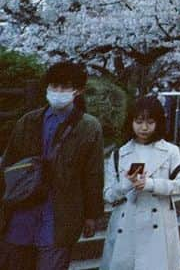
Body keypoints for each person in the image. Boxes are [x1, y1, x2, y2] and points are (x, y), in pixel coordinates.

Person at [0, 61, 104, 270]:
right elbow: (9, 163)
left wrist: (92, 215)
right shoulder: (28, 121)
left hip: (60, 212)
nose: (58, 92)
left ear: (78, 90)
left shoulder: (89, 127)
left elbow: (93, 174)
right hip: (22, 209)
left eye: (64, 87)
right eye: (53, 86)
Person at [100, 96, 180, 270]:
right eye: (139, 121)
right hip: (126, 225)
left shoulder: (170, 151)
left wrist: (151, 184)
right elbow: (108, 194)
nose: (144, 127)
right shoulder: (119, 154)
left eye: (150, 122)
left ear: (158, 123)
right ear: (131, 122)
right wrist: (126, 184)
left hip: (158, 225)